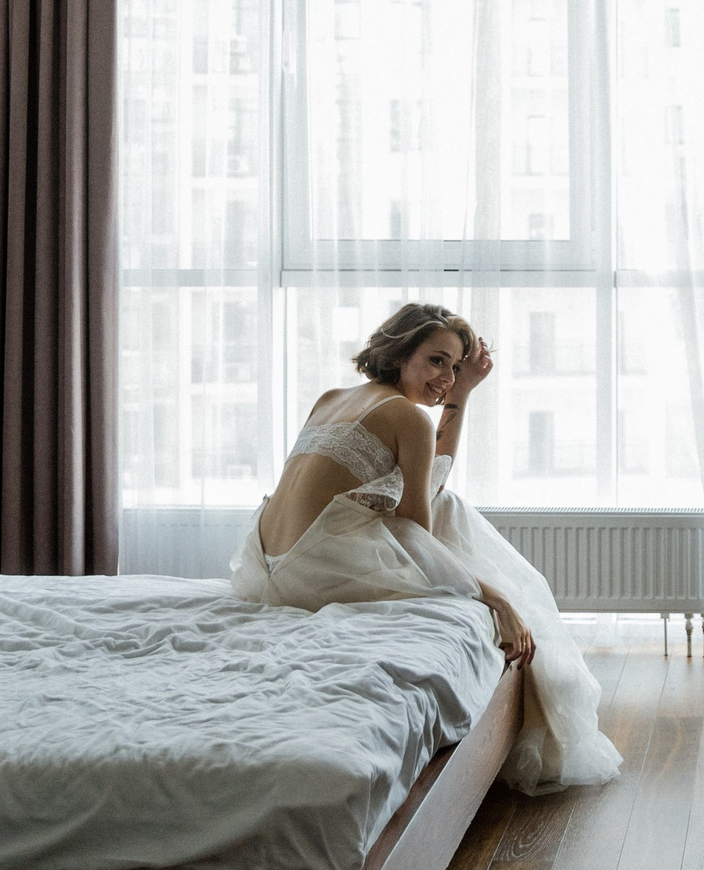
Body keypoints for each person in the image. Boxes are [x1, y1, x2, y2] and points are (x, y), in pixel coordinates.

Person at [230, 302, 623, 795]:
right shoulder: (408, 418)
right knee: (454, 522)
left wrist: (460, 394)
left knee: (448, 507)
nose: (446, 377)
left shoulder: (332, 397)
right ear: (399, 353)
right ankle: (537, 682)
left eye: (455, 366)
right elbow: (420, 530)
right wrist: (494, 596)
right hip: (315, 566)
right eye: (437, 361)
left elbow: (426, 485)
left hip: (264, 563)